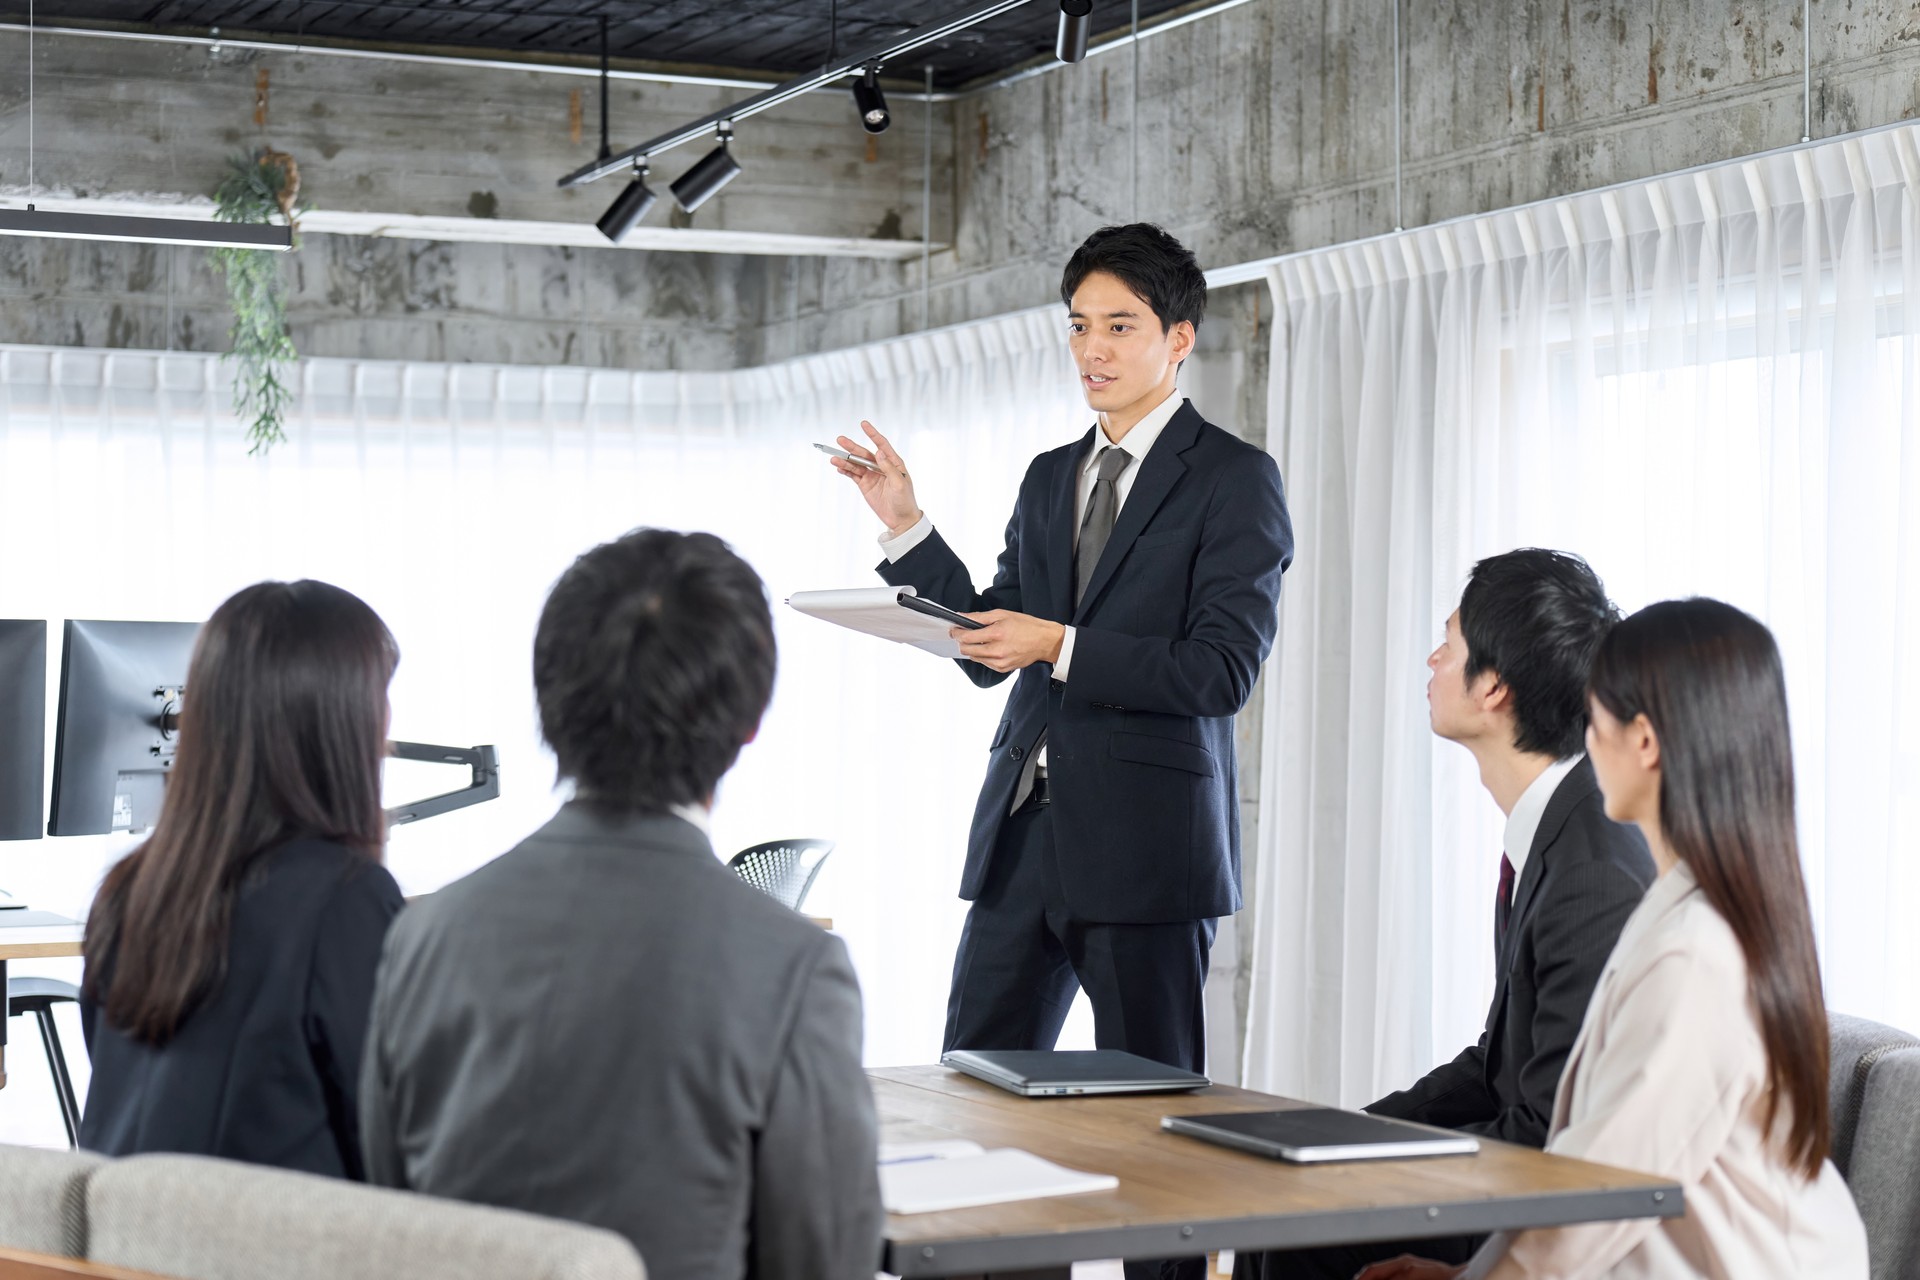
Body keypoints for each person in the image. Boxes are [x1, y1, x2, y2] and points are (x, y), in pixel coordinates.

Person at [828, 223, 1293, 1078]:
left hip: (1148, 849)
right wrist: (906, 525)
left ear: (1178, 339)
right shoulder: (1050, 474)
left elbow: (1219, 672)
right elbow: (986, 645)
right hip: (1022, 836)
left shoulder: (1234, 478)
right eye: (1079, 325)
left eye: (1120, 326)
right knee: (971, 1081)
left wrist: (1061, 644)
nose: (1092, 348)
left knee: (1150, 1105)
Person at [359, 528, 881, 1280]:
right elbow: (826, 1262)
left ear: (550, 703)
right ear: (749, 722)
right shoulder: (794, 968)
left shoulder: (422, 936)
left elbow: (389, 1217)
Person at [1359, 598, 1869, 1279]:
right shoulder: (1686, 910)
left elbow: (1602, 1193)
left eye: (1595, 714)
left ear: (1645, 742)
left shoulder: (1693, 954)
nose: (1584, 740)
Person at [1237, 548, 1655, 1280]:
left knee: (1299, 1225)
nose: (1432, 660)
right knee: (1286, 1194)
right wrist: (1348, 1133)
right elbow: (1498, 1065)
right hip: (1521, 1166)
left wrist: (1379, 1169)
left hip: (1556, 1214)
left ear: (1493, 685)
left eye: (1449, 643)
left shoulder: (1590, 868)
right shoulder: (1557, 825)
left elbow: (1551, 1132)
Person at [80, 580, 405, 1179]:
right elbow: (393, 1143)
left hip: (129, 1256)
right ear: (342, 721)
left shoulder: (128, 891)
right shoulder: (346, 899)